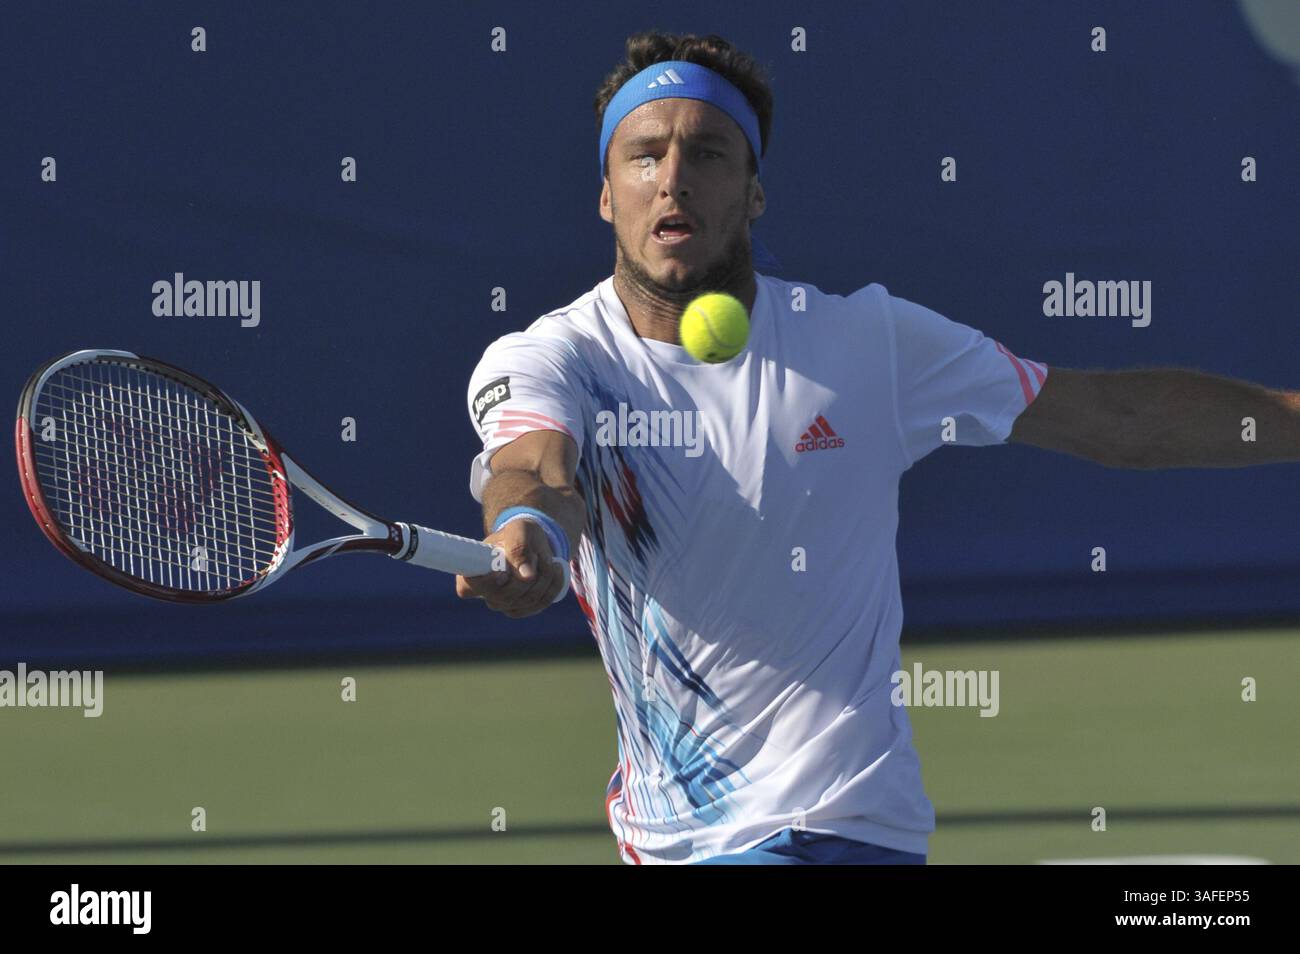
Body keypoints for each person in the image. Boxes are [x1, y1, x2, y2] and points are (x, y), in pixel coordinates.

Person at [456, 31, 1300, 865]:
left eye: (707, 153)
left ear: (754, 191)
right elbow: (534, 468)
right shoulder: (554, 357)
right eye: (644, 156)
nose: (672, 177)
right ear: (607, 195)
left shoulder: (866, 341)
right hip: (693, 842)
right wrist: (529, 529)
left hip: (867, 829)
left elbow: (1112, 418)